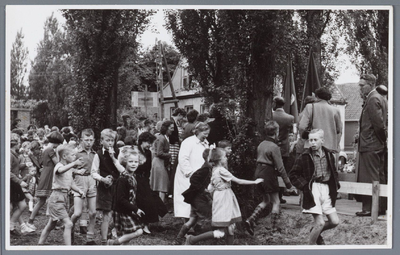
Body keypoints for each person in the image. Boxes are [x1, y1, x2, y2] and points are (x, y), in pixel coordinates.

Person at [185, 148, 263, 245]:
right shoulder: (221, 170)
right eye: (225, 157)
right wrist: (254, 182)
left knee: (230, 229)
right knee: (220, 233)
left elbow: (210, 187)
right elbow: (238, 181)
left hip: (223, 199)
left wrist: (212, 193)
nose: (226, 158)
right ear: (219, 159)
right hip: (224, 201)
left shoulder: (214, 170)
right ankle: (192, 240)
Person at [289, 129, 340, 245]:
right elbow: (293, 175)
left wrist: (336, 185)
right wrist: (305, 187)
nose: (312, 143)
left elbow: (334, 172)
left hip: (326, 189)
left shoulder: (329, 154)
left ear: (322, 140)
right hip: (313, 189)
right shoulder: (304, 156)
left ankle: (314, 231)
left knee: (335, 221)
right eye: (310, 140)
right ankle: (310, 248)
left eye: (315, 140)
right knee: (320, 223)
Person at [244, 121, 292, 236]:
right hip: (268, 173)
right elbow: (280, 167)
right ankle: (273, 230)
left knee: (266, 200)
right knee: (276, 201)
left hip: (258, 172)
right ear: (276, 132)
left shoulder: (261, 144)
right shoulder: (274, 147)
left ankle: (250, 219)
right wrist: (288, 183)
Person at [38, 144, 85, 245]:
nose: (74, 157)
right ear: (64, 156)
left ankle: (40, 244)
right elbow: (60, 171)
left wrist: (79, 191)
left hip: (63, 198)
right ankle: (68, 248)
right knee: (68, 224)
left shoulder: (69, 169)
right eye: (72, 155)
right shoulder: (59, 165)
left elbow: (71, 183)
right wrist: (74, 164)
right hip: (56, 198)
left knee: (51, 224)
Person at [356, 74, 388, 217]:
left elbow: (378, 124)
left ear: (370, 84)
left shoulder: (373, 98)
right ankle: (379, 207)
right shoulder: (378, 98)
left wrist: (381, 139)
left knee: (369, 176)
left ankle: (369, 208)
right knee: (379, 175)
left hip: (371, 144)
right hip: (375, 143)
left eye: (362, 85)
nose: (360, 88)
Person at [173, 148, 213, 244]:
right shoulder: (205, 169)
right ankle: (209, 240)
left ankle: (178, 239)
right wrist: (203, 189)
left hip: (195, 199)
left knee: (192, 221)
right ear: (208, 158)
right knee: (210, 217)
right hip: (199, 199)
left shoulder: (208, 168)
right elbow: (193, 179)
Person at [91, 128, 123, 245]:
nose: (110, 143)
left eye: (112, 141)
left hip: (118, 185)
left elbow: (122, 170)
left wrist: (114, 158)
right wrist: (102, 179)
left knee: (118, 211)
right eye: (108, 140)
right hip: (105, 186)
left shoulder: (118, 152)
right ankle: (104, 240)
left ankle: (112, 232)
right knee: (106, 213)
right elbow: (93, 172)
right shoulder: (98, 154)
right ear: (102, 141)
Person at [107, 148, 145, 245]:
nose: (133, 164)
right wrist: (135, 209)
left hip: (128, 209)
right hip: (122, 210)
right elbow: (120, 199)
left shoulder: (132, 177)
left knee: (126, 238)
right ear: (125, 162)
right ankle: (113, 243)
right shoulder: (122, 180)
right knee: (138, 231)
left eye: (136, 162)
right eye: (130, 161)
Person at [27, 131, 64, 230]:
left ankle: (53, 221)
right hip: (48, 175)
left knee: (43, 200)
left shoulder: (47, 149)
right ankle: (31, 221)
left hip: (47, 174)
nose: (59, 145)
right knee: (44, 200)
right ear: (56, 142)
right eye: (59, 143)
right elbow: (57, 163)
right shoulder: (51, 150)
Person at [174, 122, 210, 219]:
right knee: (186, 198)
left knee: (196, 198)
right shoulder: (188, 142)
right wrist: (189, 172)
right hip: (187, 175)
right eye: (204, 133)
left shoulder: (206, 143)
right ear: (197, 132)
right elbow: (182, 158)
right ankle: (186, 221)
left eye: (207, 134)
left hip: (198, 176)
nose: (206, 136)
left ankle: (194, 220)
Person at [70, 129, 98, 245]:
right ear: (81, 140)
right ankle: (69, 230)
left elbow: (97, 169)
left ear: (94, 141)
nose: (88, 143)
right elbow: (67, 168)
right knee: (77, 213)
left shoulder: (95, 154)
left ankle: (90, 239)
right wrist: (76, 171)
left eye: (91, 140)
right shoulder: (75, 152)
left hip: (92, 181)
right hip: (79, 182)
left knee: (93, 213)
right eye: (86, 140)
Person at [136, 132, 167, 234]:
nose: (149, 145)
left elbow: (148, 168)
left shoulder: (148, 153)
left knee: (153, 200)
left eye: (150, 143)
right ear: (142, 141)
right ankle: (144, 225)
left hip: (144, 179)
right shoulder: (136, 151)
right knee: (145, 201)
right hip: (135, 179)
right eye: (148, 142)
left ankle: (149, 223)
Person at [299, 87, 342, 152]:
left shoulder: (310, 107)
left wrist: (305, 137)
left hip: (312, 146)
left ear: (317, 96)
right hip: (330, 147)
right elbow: (339, 130)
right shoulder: (335, 110)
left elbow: (302, 127)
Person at [10, 133, 35, 235]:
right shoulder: (10, 154)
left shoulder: (13, 154)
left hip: (14, 182)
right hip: (13, 183)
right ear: (15, 143)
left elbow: (15, 168)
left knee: (16, 206)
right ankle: (10, 225)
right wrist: (20, 181)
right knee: (20, 205)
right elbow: (8, 171)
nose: (20, 145)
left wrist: (24, 165)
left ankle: (14, 226)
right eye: (19, 142)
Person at [272, 96, 295, 204]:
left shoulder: (270, 115)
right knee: (282, 171)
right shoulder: (290, 117)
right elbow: (291, 133)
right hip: (284, 148)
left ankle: (273, 196)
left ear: (275, 104)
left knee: (271, 171)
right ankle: (280, 196)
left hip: (271, 146)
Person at [150, 120, 174, 202]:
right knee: (162, 187)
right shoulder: (161, 138)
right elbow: (159, 153)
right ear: (166, 129)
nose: (173, 130)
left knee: (161, 186)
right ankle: (161, 209)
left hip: (160, 163)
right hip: (159, 163)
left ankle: (159, 208)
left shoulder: (164, 137)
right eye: (171, 128)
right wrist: (170, 155)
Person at [169, 108, 187, 196]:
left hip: (174, 147)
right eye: (182, 116)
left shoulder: (175, 122)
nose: (182, 119)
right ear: (179, 114)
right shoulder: (172, 122)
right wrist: (179, 139)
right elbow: (171, 137)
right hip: (172, 147)